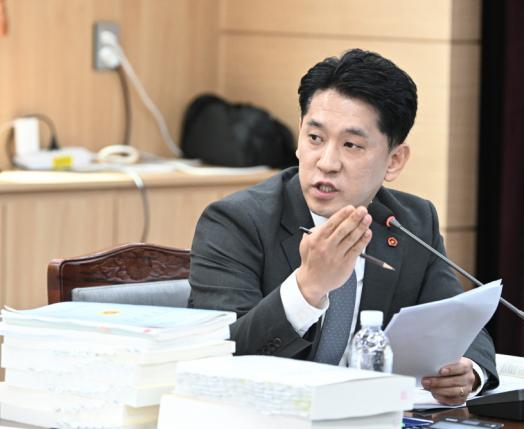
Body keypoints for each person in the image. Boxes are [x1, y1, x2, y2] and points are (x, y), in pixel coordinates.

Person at [189, 48, 498, 405]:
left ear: (394, 161)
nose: (327, 162)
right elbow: (221, 357)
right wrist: (308, 288)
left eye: (351, 145)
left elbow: (458, 322)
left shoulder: (412, 222)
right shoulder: (235, 222)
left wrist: (469, 370)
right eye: (315, 138)